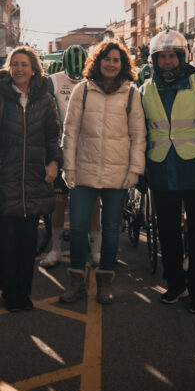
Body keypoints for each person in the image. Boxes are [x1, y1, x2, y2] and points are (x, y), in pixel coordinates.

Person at [141, 30, 195, 313]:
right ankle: (175, 283)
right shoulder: (145, 90)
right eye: (162, 56)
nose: (167, 62)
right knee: (167, 232)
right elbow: (140, 132)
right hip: (161, 171)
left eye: (172, 56)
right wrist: (140, 169)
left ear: (182, 57)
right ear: (155, 59)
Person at [0, 46, 62, 311]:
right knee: (9, 240)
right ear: (9, 68)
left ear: (34, 68)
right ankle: (9, 293)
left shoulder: (45, 100)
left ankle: (24, 293)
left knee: (28, 242)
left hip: (36, 178)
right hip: (7, 179)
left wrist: (55, 163)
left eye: (24, 64)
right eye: (15, 64)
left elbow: (52, 136)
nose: (19, 69)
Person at [59, 40, 146, 305]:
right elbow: (70, 130)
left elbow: (138, 135)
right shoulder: (82, 91)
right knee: (77, 229)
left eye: (116, 60)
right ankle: (77, 283)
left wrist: (135, 170)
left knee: (110, 230)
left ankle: (105, 282)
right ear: (98, 62)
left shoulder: (131, 94)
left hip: (117, 173)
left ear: (123, 65)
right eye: (106, 59)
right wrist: (69, 166)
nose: (111, 63)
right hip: (84, 171)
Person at [42, 44, 98, 269]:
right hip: (61, 146)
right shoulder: (53, 81)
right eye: (72, 77)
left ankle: (97, 250)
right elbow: (47, 112)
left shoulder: (94, 80)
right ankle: (55, 248)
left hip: (89, 148)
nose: (76, 81)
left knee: (93, 202)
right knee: (58, 200)